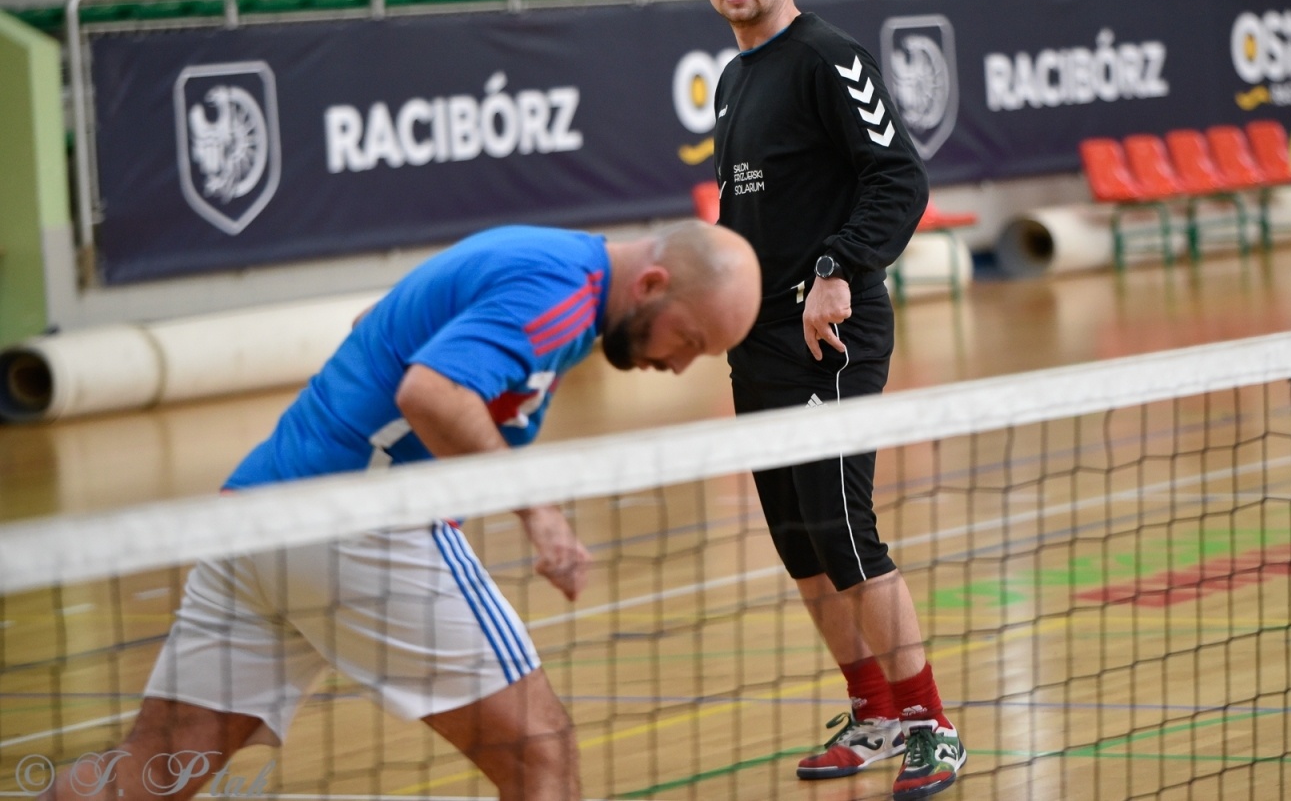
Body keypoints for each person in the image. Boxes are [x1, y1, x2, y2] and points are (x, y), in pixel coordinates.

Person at [51, 222, 761, 801]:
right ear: (651, 285)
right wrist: (539, 514)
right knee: (541, 753)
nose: (679, 365)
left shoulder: (539, 255)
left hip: (255, 515)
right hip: (363, 523)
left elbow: (374, 320)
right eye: (689, 341)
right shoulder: (561, 294)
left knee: (146, 773)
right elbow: (431, 393)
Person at [702, 0, 965, 800]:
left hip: (831, 335)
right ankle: (874, 712)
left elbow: (899, 178)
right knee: (799, 545)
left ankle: (930, 724)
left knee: (846, 535)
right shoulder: (732, 80)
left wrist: (838, 269)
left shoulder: (829, 58)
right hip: (758, 342)